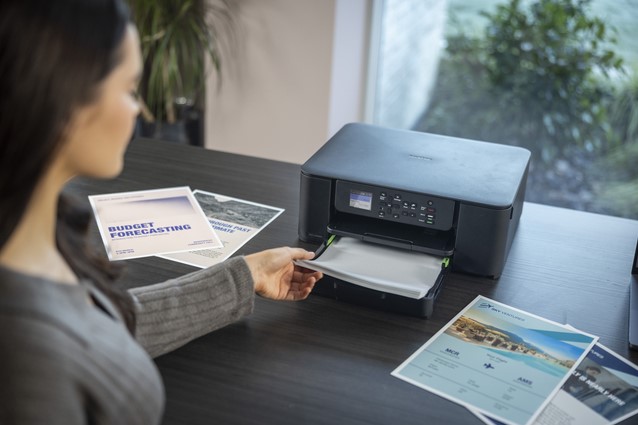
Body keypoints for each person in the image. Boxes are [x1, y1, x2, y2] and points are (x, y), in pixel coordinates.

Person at [0, 0, 322, 423]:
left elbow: (103, 327)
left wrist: (245, 275)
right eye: (127, 89)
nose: (138, 110)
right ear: (63, 101)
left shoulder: (35, 232)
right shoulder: (27, 363)